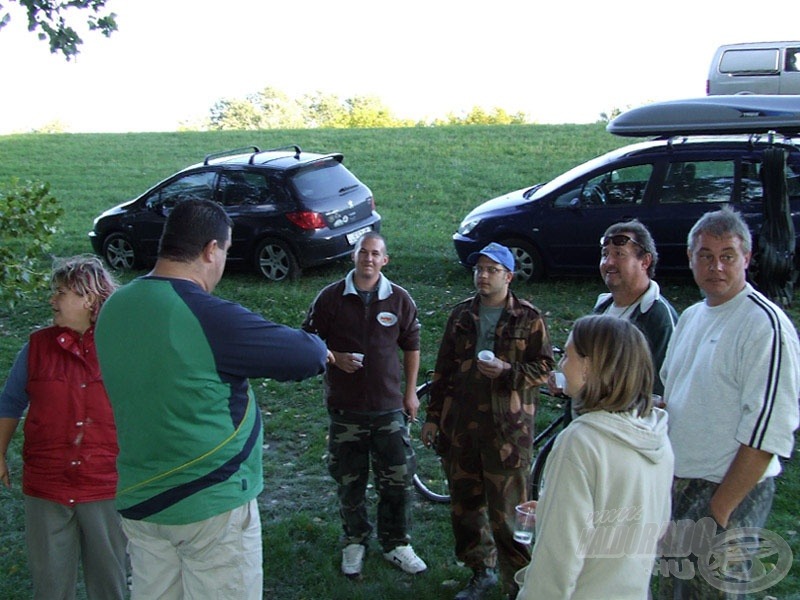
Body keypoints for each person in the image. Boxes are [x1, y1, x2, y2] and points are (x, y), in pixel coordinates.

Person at [95, 198, 330, 600]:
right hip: (210, 504)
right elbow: (306, 355)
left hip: (142, 500)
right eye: (225, 249)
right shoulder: (202, 314)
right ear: (210, 250)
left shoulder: (116, 307)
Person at [658, 207, 800, 598]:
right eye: (705, 255)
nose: (715, 266)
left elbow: (769, 431)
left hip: (728, 489)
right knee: (674, 588)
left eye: (727, 256)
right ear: (690, 259)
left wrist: (720, 510)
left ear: (747, 259)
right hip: (679, 483)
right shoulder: (690, 316)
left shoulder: (765, 327)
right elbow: (674, 394)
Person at [422, 242, 555, 600]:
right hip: (462, 429)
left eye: (491, 270)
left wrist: (506, 370)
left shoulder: (528, 317)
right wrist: (434, 418)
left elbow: (544, 368)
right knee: (465, 509)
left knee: (509, 514)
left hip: (507, 433)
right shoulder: (462, 316)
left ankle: (521, 584)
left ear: (508, 276)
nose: (482, 275)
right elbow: (444, 370)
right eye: (478, 269)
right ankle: (481, 573)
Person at [516, 315, 674, 599]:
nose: (562, 364)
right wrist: (553, 509)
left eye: (567, 354)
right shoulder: (657, 436)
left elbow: (557, 559)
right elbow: (653, 523)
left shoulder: (580, 443)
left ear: (589, 366)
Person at [0, 255, 127, 599]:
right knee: (51, 587)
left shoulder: (123, 347)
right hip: (46, 485)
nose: (52, 300)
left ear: (89, 298)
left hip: (106, 485)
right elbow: (10, 402)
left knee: (110, 585)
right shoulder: (36, 348)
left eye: (61, 293)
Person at [301, 232, 427, 579]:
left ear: (385, 260)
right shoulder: (330, 298)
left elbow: (412, 345)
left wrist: (410, 392)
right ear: (353, 257)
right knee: (349, 480)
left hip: (389, 409)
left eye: (376, 254)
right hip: (346, 409)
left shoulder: (399, 299)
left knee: (397, 480)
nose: (369, 259)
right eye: (363, 253)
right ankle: (354, 540)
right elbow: (309, 341)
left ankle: (396, 543)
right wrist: (334, 357)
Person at [593, 220, 678, 395]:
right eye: (605, 254)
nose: (609, 262)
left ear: (645, 261)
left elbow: (660, 389)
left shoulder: (658, 317)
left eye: (619, 254)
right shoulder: (601, 308)